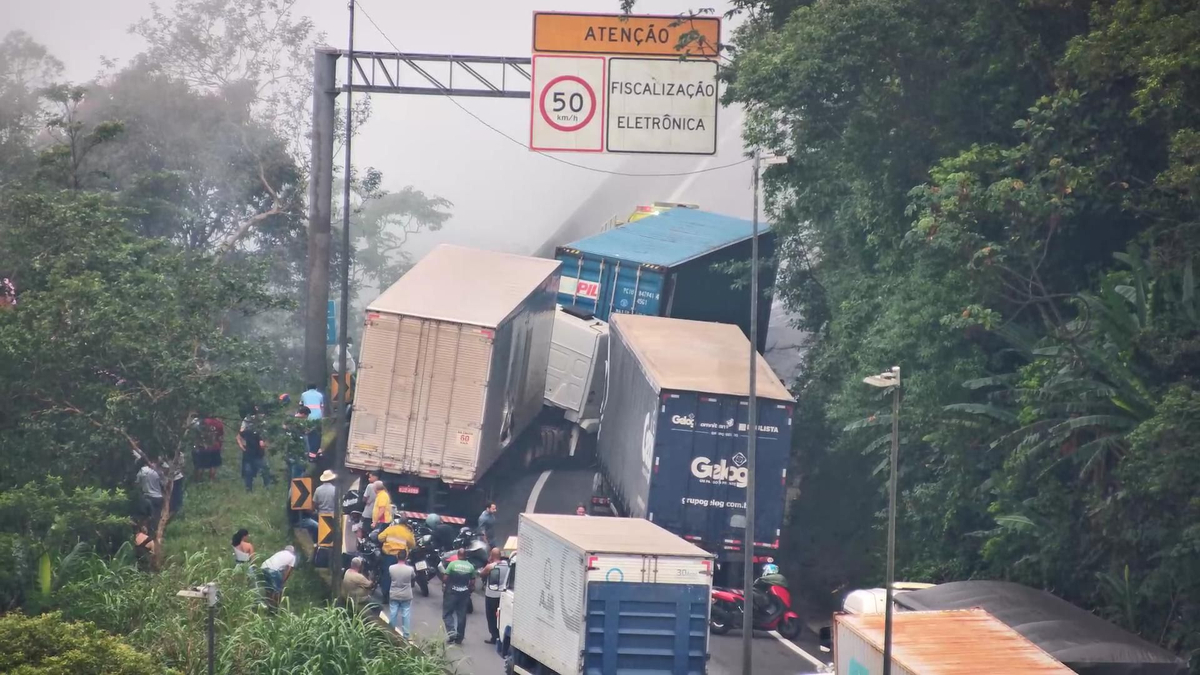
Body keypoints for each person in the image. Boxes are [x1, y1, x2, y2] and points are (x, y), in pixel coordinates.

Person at [439, 548, 478, 644]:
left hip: (451, 592)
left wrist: (445, 584)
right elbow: (472, 582)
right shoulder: (470, 567)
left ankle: (452, 634)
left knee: (447, 614)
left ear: (458, 555)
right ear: (465, 556)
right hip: (464, 594)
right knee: (461, 615)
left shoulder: (452, 564)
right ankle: (459, 638)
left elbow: (445, 578)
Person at [377, 516, 415, 601]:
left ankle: (385, 595)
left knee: (387, 574)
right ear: (406, 523)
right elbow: (412, 545)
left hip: (389, 555)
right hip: (401, 557)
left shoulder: (391, 529)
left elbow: (380, 538)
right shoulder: (407, 532)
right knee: (400, 576)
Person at [237, 410, 272, 492]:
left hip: (253, 455)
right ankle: (263, 488)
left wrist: (241, 446)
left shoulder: (253, 432)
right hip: (253, 455)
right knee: (260, 471)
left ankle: (252, 489)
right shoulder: (252, 432)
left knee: (254, 472)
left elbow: (238, 437)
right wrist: (242, 446)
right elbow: (238, 437)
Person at [481, 547, 510, 645]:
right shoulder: (507, 565)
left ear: (492, 556)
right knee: (501, 616)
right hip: (502, 595)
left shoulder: (490, 566)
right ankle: (501, 636)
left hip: (491, 595)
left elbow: (482, 574)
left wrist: (489, 562)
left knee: (491, 616)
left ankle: (494, 636)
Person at [388, 549, 416, 638]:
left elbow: (390, 576)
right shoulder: (410, 569)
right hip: (406, 595)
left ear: (397, 556)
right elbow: (413, 577)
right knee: (406, 615)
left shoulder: (391, 568)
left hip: (394, 594)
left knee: (393, 613)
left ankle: (390, 632)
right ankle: (406, 635)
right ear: (406, 557)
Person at [193, 417, 224, 481]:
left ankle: (198, 481)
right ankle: (211, 481)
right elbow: (220, 436)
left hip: (201, 447)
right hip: (214, 447)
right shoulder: (218, 423)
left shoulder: (201, 421)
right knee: (213, 465)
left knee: (200, 466)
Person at [135, 458, 164, 526]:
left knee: (147, 517)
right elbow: (163, 484)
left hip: (148, 497)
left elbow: (137, 485)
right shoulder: (157, 471)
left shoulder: (141, 472)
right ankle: (155, 531)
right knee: (156, 517)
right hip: (158, 497)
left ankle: (148, 532)